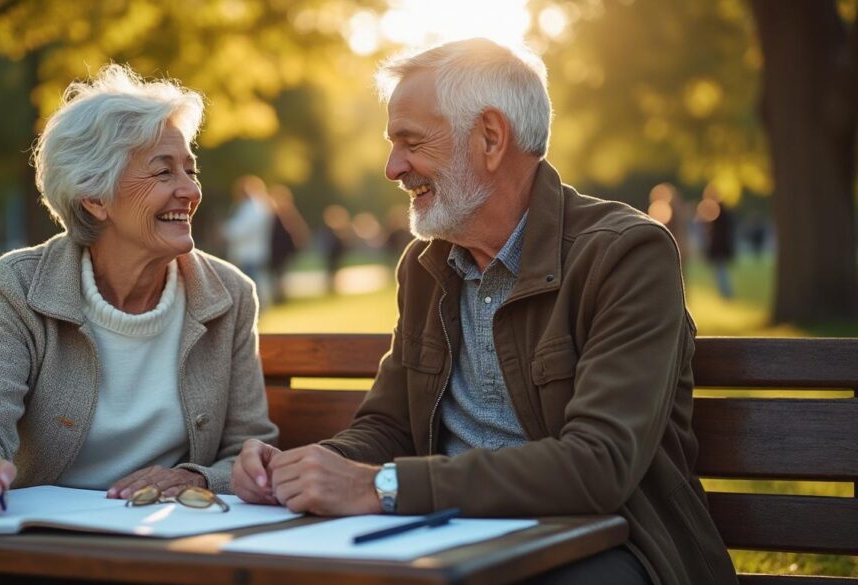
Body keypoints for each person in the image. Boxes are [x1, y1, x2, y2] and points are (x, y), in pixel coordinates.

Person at [232, 39, 737, 585]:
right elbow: (387, 425)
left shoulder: (625, 255)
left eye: (410, 142)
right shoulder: (426, 266)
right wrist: (301, 470)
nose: (392, 167)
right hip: (447, 543)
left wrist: (381, 487)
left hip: (612, 546)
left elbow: (598, 465)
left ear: (490, 138)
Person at [0, 64, 277, 584]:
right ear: (95, 197)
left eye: (190, 169)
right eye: (163, 172)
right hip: (36, 553)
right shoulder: (21, 285)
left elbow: (250, 450)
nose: (189, 190)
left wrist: (190, 476)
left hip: (161, 549)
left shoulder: (228, 295)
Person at [222, 175, 274, 304]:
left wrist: (225, 231)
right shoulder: (253, 206)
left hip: (249, 254)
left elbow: (242, 230)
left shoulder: (254, 207)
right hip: (249, 253)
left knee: (251, 289)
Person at [268, 184, 310, 304]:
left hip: (280, 250)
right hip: (278, 250)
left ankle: (279, 297)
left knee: (278, 275)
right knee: (278, 275)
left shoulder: (283, 215)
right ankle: (279, 296)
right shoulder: (275, 214)